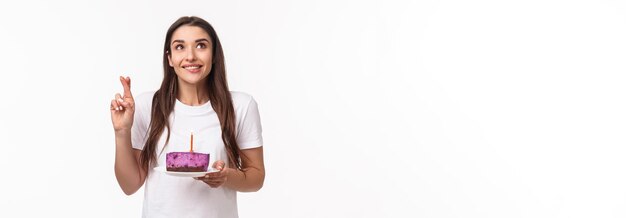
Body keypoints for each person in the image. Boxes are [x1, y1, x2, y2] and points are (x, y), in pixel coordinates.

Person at [110, 16, 265, 218]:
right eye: (180, 47)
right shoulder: (147, 106)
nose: (190, 56)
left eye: (201, 45)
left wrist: (226, 177)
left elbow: (256, 177)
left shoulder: (241, 106)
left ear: (214, 54)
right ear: (170, 58)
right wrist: (122, 132)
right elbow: (129, 185)